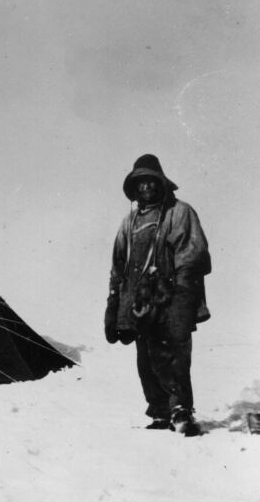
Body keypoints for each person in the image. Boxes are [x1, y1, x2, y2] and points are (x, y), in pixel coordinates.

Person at [104, 154, 211, 436]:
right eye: (140, 183)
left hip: (171, 298)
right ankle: (160, 411)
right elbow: (118, 266)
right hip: (139, 305)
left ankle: (181, 411)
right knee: (146, 359)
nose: (146, 187)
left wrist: (181, 299)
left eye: (151, 180)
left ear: (161, 183)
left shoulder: (179, 212)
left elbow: (192, 255)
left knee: (173, 356)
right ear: (134, 188)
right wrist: (114, 305)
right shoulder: (129, 222)